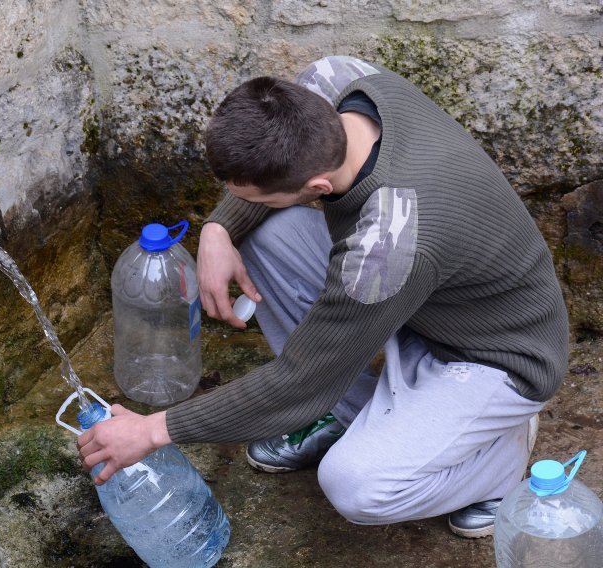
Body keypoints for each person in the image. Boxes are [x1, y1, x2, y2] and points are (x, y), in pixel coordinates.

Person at [78, 55, 569, 538]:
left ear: (317, 186)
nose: (242, 203)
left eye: (253, 196)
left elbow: (301, 379)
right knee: (268, 233)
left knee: (356, 487)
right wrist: (218, 228)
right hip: (425, 303)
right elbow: (275, 170)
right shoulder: (335, 79)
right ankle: (353, 417)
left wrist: (153, 430)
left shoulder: (384, 249)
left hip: (497, 354)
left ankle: (496, 463)